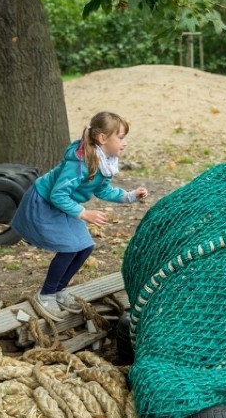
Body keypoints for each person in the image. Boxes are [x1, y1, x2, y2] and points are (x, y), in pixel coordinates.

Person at [11, 111, 149, 321]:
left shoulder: (104, 162)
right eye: (120, 137)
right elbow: (57, 194)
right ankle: (46, 294)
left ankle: (59, 290)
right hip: (45, 203)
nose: (125, 143)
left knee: (85, 246)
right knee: (69, 247)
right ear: (103, 138)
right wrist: (84, 213)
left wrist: (130, 196)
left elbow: (102, 190)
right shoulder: (79, 163)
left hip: (64, 205)